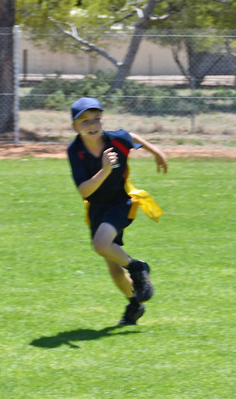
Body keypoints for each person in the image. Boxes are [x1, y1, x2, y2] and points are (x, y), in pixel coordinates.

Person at [67, 97, 167, 325]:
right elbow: (84, 190)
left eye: (96, 119)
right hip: (96, 207)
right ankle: (135, 304)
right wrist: (104, 169)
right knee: (114, 271)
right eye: (84, 121)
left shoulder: (116, 140)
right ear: (75, 126)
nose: (92, 125)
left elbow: (131, 137)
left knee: (101, 245)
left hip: (121, 202)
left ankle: (139, 268)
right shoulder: (76, 151)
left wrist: (156, 152)